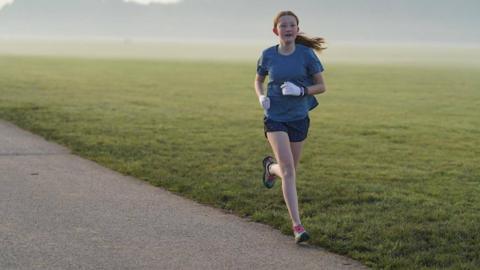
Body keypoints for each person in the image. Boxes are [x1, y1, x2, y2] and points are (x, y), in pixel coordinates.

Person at [254, 10, 327, 244]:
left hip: (298, 117)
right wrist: (261, 96)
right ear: (276, 31)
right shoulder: (268, 55)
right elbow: (258, 80)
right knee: (288, 172)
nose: (287, 29)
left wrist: (301, 91)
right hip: (275, 116)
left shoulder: (307, 55)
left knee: (289, 170)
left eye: (291, 25)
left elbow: (321, 86)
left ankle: (269, 168)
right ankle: (297, 226)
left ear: (297, 29)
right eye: (283, 25)